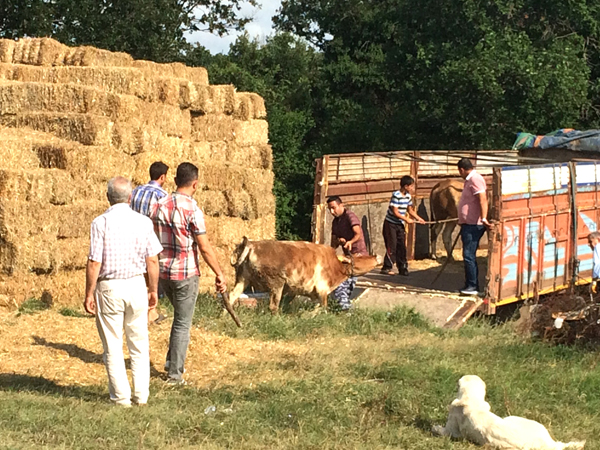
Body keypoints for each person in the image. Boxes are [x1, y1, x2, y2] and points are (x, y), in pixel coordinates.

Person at [84, 177, 163, 407]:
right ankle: (141, 395)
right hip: (137, 284)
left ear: (108, 197)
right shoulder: (144, 222)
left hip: (110, 286)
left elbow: (94, 262)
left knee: (113, 344)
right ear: (130, 197)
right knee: (138, 343)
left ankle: (121, 398)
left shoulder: (100, 223)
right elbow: (153, 260)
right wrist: (153, 289)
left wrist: (89, 293)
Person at [151, 162, 227, 385]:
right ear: (195, 184)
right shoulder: (193, 209)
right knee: (183, 323)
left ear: (174, 181)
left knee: (179, 319)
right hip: (185, 274)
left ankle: (170, 361)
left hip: (163, 272)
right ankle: (175, 375)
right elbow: (204, 247)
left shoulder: (158, 205)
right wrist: (219, 273)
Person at [130, 161, 169, 324]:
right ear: (162, 177)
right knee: (151, 273)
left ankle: (137, 308)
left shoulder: (136, 190)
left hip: (132, 235)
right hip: (150, 236)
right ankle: (150, 312)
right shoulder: (163, 195)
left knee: (138, 272)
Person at [327, 196, 368, 311]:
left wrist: (350, 241)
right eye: (329, 209)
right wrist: (339, 241)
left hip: (358, 256)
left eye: (334, 208)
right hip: (348, 257)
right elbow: (333, 244)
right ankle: (341, 306)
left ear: (341, 205)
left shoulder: (350, 216)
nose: (332, 212)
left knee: (342, 282)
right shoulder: (335, 222)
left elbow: (358, 233)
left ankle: (345, 309)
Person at [457, 158, 490, 296]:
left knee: (469, 255)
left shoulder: (475, 179)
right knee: (467, 255)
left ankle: (472, 285)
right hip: (468, 223)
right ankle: (469, 284)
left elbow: (482, 199)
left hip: (473, 224)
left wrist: (483, 218)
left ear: (462, 169)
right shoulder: (470, 180)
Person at [381, 175, 426, 276]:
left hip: (400, 224)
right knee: (392, 245)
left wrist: (418, 218)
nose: (413, 188)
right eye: (411, 186)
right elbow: (395, 212)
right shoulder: (396, 195)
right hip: (391, 223)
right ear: (406, 186)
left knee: (402, 245)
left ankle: (402, 267)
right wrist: (407, 220)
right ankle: (387, 266)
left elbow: (409, 210)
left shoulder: (408, 196)